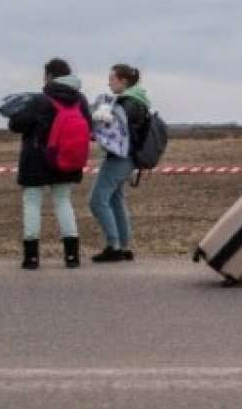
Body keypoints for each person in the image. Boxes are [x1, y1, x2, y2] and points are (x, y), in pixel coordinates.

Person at [8, 58, 92, 269]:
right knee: (63, 202)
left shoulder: (40, 100)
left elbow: (16, 125)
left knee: (32, 203)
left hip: (36, 159)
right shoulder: (80, 100)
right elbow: (89, 127)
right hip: (65, 159)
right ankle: (72, 256)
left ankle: (32, 257)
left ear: (50, 76)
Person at [89, 64, 151, 263]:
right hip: (129, 158)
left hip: (120, 158)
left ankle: (114, 246)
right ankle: (123, 246)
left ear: (123, 81)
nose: (109, 82)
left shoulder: (127, 103)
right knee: (115, 200)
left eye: (112, 78)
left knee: (97, 201)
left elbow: (114, 130)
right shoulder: (138, 101)